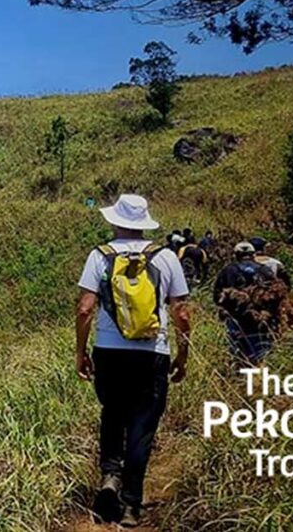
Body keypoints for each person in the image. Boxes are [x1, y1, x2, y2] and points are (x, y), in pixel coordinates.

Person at [76, 194, 191, 527]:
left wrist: (81, 352)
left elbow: (85, 308)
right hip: (152, 353)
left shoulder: (100, 256)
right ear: (144, 224)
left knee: (113, 413)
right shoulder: (167, 257)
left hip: (109, 352)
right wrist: (182, 356)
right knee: (142, 428)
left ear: (115, 221)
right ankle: (130, 504)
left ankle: (110, 474)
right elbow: (181, 313)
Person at [213, 242, 282, 365]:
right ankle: (259, 378)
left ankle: (239, 378)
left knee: (238, 354)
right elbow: (277, 294)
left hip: (236, 320)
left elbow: (217, 295)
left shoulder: (228, 270)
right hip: (260, 321)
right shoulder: (265, 270)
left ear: (236, 255)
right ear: (253, 254)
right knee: (261, 356)